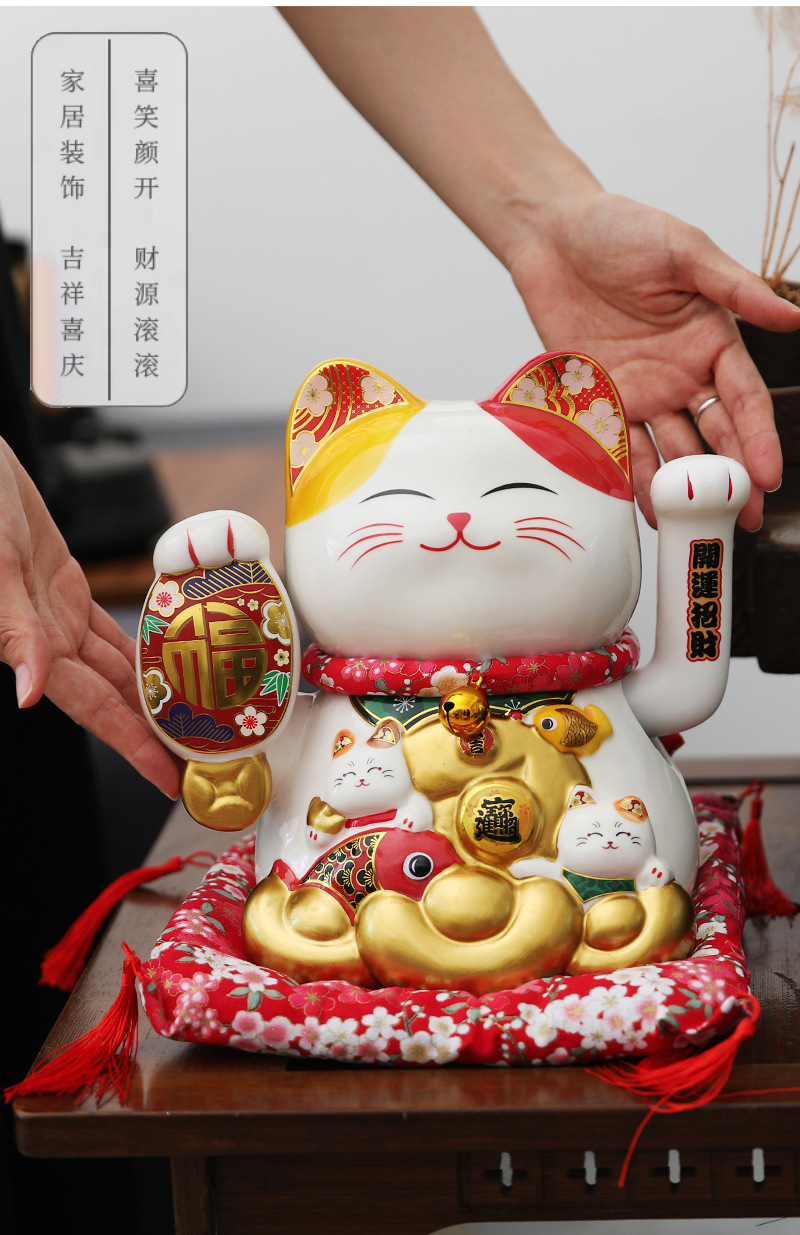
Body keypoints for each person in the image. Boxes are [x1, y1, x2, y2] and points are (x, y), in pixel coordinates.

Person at [2, 6, 798, 798]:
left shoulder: (599, 699)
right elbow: (239, 744)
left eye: (517, 491)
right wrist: (222, 588)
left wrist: (696, 529)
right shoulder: (330, 716)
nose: (457, 520)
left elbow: (688, 681)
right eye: (401, 500)